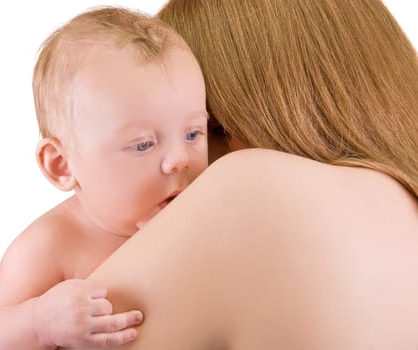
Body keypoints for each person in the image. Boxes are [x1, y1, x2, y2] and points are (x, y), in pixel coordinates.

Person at [76, 0, 417, 348]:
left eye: (194, 133)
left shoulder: (251, 189)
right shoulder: (400, 208)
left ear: (229, 119)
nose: (177, 163)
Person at [0, 6, 209, 350]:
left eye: (194, 133)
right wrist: (40, 323)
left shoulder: (206, 212)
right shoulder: (55, 242)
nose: (180, 159)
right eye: (143, 144)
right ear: (62, 165)